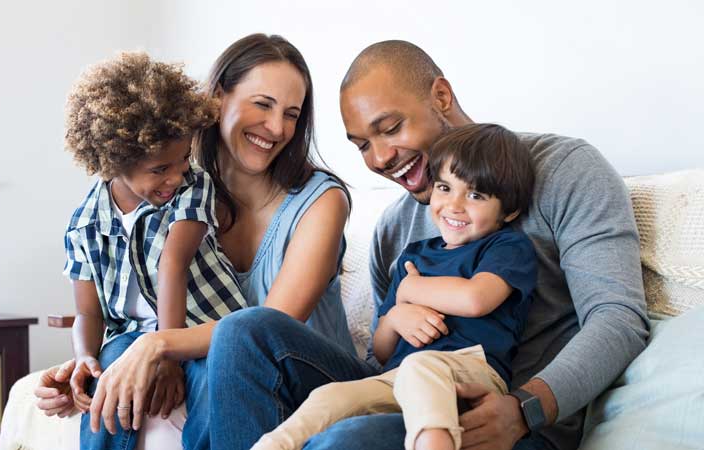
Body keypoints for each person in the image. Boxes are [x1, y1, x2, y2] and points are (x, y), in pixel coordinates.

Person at [204, 40, 650, 450]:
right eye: (362, 145)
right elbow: (384, 354)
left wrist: (525, 408)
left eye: (391, 128)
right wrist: (397, 316)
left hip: (506, 418)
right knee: (244, 331)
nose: (379, 159)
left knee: (347, 440)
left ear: (440, 96)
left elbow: (618, 319)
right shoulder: (394, 228)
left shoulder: (565, 171)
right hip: (406, 393)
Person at [35, 34, 355, 450]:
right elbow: (130, 306)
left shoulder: (321, 201)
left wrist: (159, 345)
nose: (277, 128)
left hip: (306, 373)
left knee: (236, 345)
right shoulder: (171, 186)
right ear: (218, 97)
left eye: (292, 114)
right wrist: (92, 366)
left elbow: (265, 332)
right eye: (263, 104)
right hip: (219, 363)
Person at [252, 123, 537, 450]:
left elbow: (475, 299)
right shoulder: (414, 256)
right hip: (400, 377)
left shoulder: (506, 247)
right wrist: (396, 318)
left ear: (509, 210)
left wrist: (409, 292)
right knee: (332, 395)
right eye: (445, 188)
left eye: (475, 195)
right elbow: (383, 349)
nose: (454, 205)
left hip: (472, 372)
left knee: (421, 366)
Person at [61, 52, 248, 449]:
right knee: (108, 379)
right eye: (160, 169)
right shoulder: (84, 223)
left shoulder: (193, 187)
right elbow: (87, 312)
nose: (175, 177)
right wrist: (84, 358)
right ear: (114, 161)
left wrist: (167, 356)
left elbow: (172, 264)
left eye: (182, 160)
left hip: (202, 327)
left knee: (218, 378)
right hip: (129, 336)